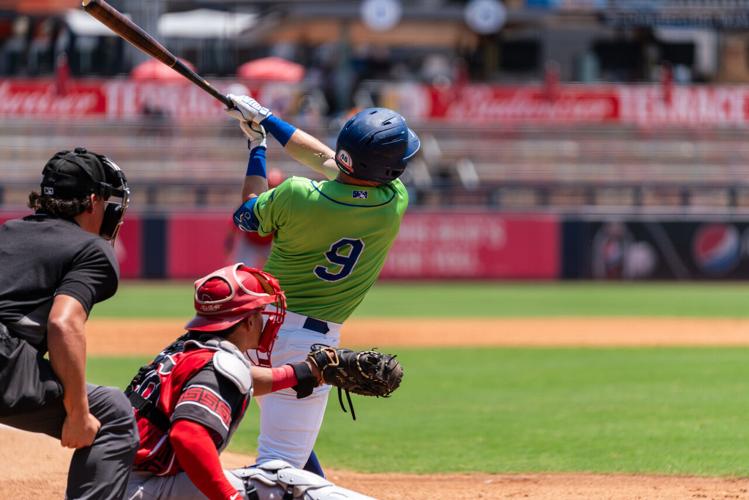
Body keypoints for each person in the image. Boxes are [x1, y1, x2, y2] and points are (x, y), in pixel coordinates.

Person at [226, 95, 420, 475]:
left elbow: (246, 215)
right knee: (278, 471)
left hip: (250, 332)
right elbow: (327, 161)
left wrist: (258, 146)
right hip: (305, 348)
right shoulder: (393, 202)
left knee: (294, 449)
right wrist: (267, 120)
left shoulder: (296, 193)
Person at [124, 263, 372, 500]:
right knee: (286, 484)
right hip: (146, 489)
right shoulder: (219, 365)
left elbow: (241, 378)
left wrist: (304, 372)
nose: (268, 319)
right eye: (261, 312)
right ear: (249, 321)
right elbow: (188, 435)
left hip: (113, 480)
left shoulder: (186, 350)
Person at [0, 147, 137, 499]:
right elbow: (64, 324)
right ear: (93, 202)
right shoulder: (91, 249)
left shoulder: (8, 231)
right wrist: (77, 412)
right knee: (112, 412)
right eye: (108, 201)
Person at [224, 168, 285, 268]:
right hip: (250, 241)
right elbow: (236, 223)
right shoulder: (255, 199)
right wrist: (229, 244)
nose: (272, 189)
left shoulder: (282, 204)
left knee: (277, 274)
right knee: (241, 271)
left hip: (269, 244)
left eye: (275, 187)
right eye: (270, 185)